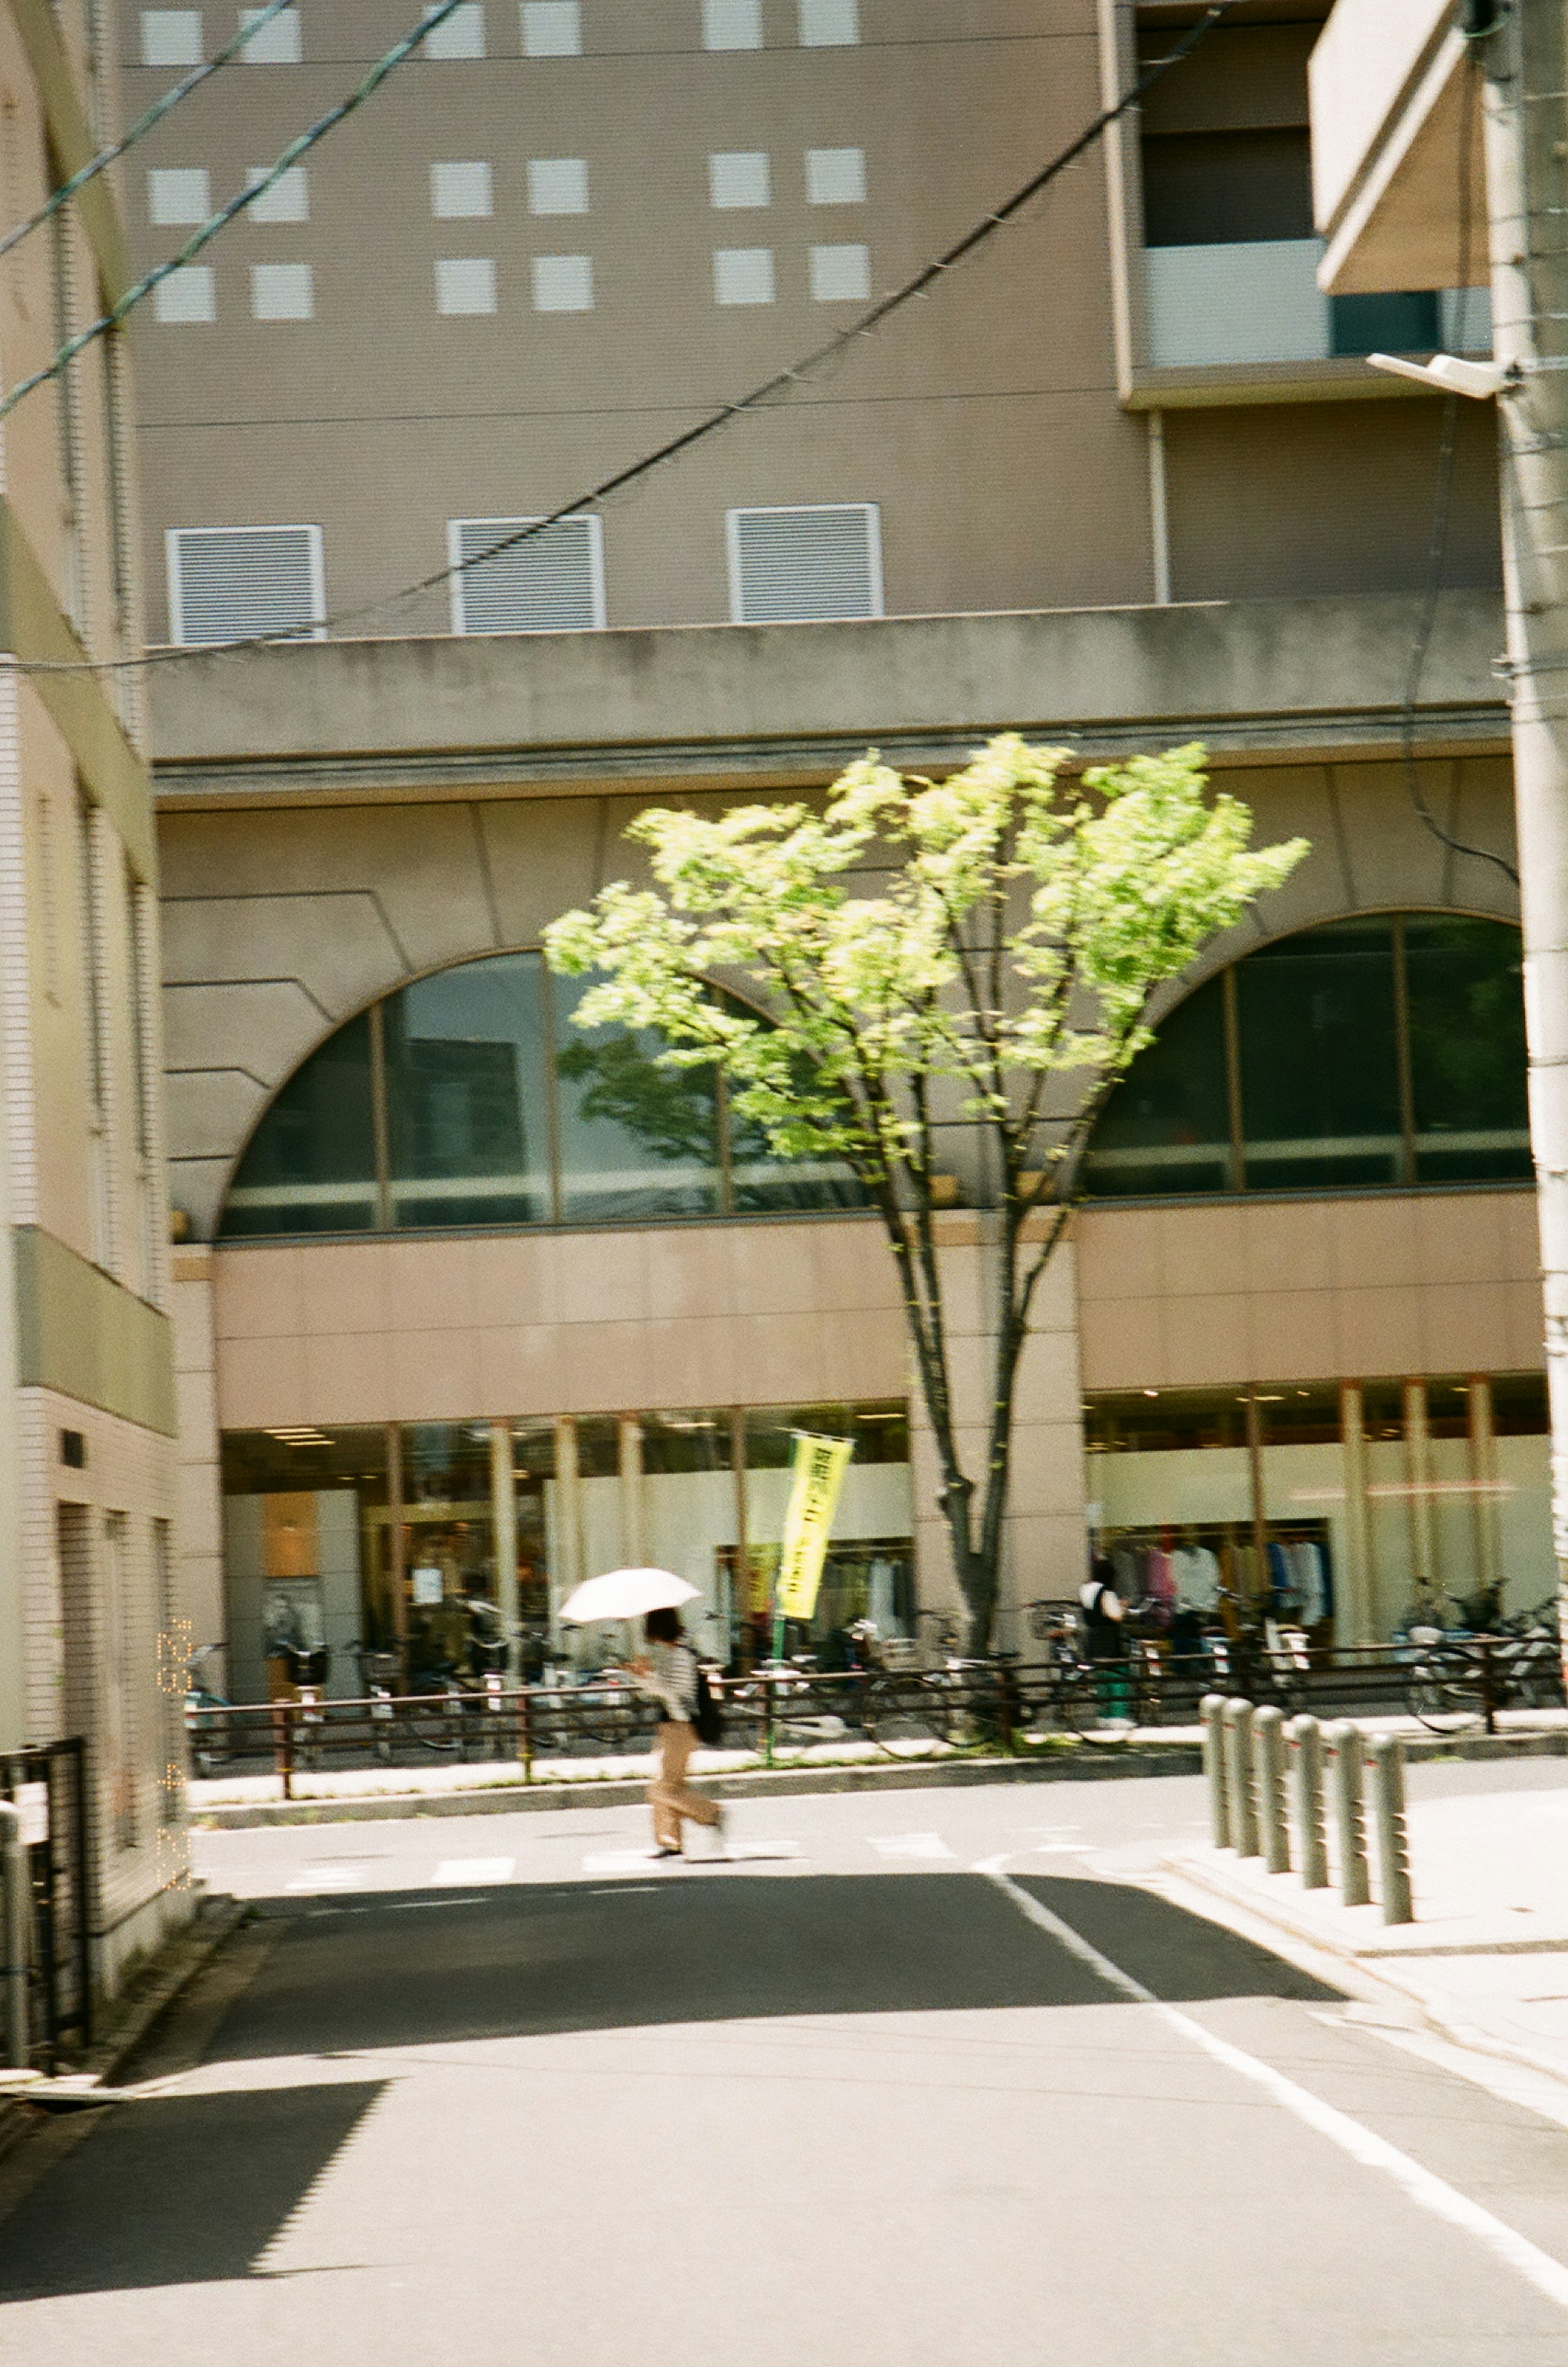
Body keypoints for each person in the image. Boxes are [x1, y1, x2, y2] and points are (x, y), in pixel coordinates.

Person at [628, 1607, 727, 1859]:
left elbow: (675, 1694)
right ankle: (671, 1841)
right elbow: (662, 1690)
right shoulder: (671, 1654)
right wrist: (643, 1677)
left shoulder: (680, 1656)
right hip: (673, 1726)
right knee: (668, 1785)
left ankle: (711, 1813)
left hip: (681, 1728)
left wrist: (648, 1676)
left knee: (662, 1788)